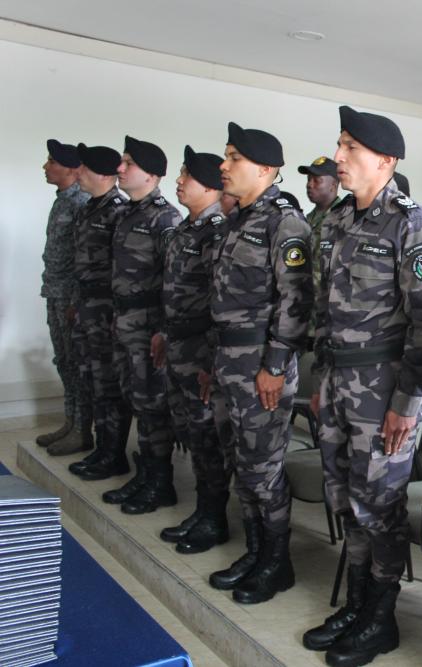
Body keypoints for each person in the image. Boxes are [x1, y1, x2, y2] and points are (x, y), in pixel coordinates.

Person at [302, 106, 422, 667]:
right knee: (344, 497)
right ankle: (357, 604)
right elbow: (323, 309)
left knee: (379, 507)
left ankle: (381, 619)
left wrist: (408, 402)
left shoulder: (412, 224)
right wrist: (321, 378)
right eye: (339, 145)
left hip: (384, 390)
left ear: (386, 161)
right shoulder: (338, 220)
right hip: (339, 383)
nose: (339, 157)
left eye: (350, 149)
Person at [206, 122, 313, 605]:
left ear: (266, 170)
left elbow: (296, 302)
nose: (224, 166)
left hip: (260, 366)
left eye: (234, 158)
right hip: (227, 360)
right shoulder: (235, 221)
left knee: (263, 470)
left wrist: (275, 365)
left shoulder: (284, 224)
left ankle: (276, 562)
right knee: (240, 463)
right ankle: (254, 552)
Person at [97, 136, 182, 516]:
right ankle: (146, 474)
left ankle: (160, 483)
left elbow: (172, 282)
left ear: (151, 174)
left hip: (148, 328)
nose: (120, 168)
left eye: (128, 163)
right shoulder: (127, 214)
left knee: (153, 405)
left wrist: (162, 331)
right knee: (134, 399)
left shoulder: (165, 218)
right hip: (125, 322)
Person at [155, 146, 231, 554]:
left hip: (201, 351)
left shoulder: (218, 232)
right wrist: (163, 331)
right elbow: (172, 290)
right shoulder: (186, 229)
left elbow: (221, 304)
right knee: (190, 431)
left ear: (210, 186)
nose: (179, 181)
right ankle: (202, 511)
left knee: (207, 437)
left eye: (187, 175)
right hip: (178, 344)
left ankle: (214, 518)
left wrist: (211, 361)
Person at [67, 145, 133, 479]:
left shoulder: (118, 211)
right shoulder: (88, 208)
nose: (78, 172)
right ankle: (102, 447)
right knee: (91, 379)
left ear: (104, 174)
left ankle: (114, 454)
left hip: (107, 310)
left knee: (109, 383)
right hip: (87, 306)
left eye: (84, 168)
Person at [37, 139, 91, 454]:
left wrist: (75, 301)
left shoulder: (81, 202)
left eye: (52, 161)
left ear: (72, 169)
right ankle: (71, 422)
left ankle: (82, 429)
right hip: (55, 292)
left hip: (70, 299)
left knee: (76, 363)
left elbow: (85, 259)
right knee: (64, 362)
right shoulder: (62, 200)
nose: (46, 166)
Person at [298, 156, 341, 305]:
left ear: (333, 185)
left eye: (317, 180)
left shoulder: (343, 219)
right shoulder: (307, 219)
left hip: (327, 305)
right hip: (304, 302)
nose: (309, 185)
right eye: (309, 179)